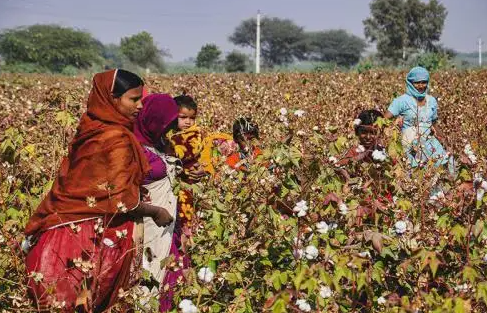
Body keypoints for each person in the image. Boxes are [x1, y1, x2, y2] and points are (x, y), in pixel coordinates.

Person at [24, 69, 173, 312]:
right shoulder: (117, 138)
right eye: (133, 100)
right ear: (112, 99)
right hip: (93, 236)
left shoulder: (91, 126)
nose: (139, 107)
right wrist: (156, 212)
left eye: (141, 100)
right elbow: (123, 200)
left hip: (61, 227)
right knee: (90, 301)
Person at [159, 94, 205, 312]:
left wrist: (167, 150)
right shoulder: (170, 134)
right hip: (174, 193)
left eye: (191, 118)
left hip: (185, 194)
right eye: (182, 117)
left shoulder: (192, 136)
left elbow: (184, 153)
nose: (187, 122)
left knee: (184, 231)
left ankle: (181, 285)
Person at [133, 94, 180, 301]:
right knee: (146, 276)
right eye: (165, 124)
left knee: (166, 276)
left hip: (167, 225)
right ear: (153, 119)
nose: (169, 130)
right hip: (147, 224)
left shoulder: (159, 142)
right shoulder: (132, 148)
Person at [384, 66, 454, 174]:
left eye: (424, 82)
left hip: (430, 143)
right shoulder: (401, 101)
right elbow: (384, 120)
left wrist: (444, 141)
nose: (421, 86)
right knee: (417, 174)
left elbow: (434, 124)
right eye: (417, 83)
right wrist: (393, 133)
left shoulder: (431, 101)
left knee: (444, 166)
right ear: (410, 82)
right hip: (411, 145)